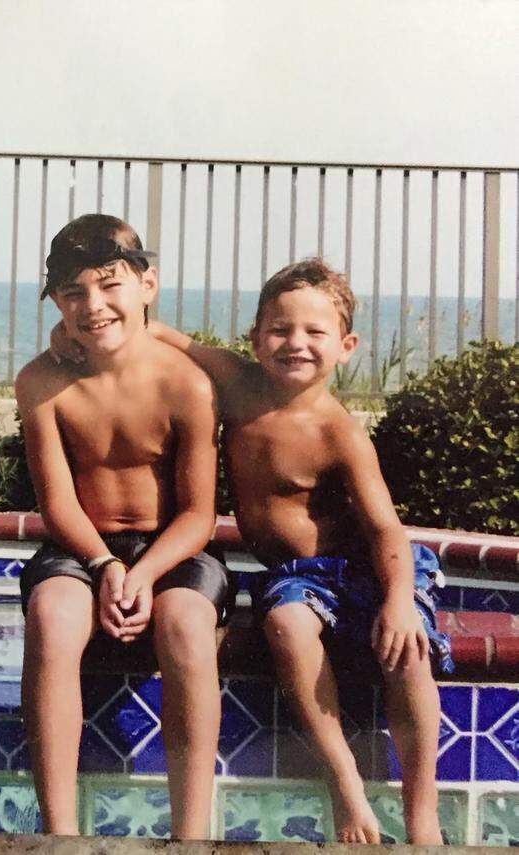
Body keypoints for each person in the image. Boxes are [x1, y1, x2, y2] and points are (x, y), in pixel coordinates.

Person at [147, 258, 452, 844]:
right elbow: (160, 332)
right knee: (286, 622)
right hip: (297, 578)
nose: (296, 344)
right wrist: (67, 335)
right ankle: (345, 786)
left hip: (366, 566)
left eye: (315, 333)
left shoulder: (338, 430)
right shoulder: (236, 384)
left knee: (409, 654)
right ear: (254, 338)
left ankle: (422, 809)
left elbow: (387, 530)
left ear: (346, 345)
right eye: (280, 329)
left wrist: (397, 603)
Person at [16, 213, 228, 838]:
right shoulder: (41, 383)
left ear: (147, 285)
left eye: (110, 285)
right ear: (56, 299)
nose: (93, 305)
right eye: (74, 292)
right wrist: (106, 566)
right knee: (52, 616)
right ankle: (59, 831)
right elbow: (57, 505)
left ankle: (191, 833)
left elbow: (199, 514)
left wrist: (144, 572)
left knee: (186, 621)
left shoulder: (187, 385)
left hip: (173, 550)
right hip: (81, 547)